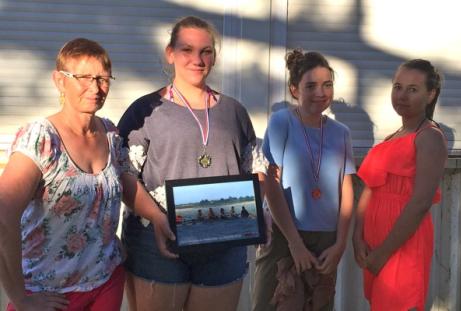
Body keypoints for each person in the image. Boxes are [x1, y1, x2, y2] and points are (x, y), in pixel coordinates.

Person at [0, 38, 173, 311]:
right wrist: (19, 297)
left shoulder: (110, 133)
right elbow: (3, 218)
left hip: (106, 279)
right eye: (83, 77)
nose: (95, 87)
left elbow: (126, 185)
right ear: (59, 80)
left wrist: (157, 217)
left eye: (103, 79)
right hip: (51, 293)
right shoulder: (41, 139)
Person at [117, 16, 266, 311]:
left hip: (224, 241)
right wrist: (158, 219)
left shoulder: (234, 111)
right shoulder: (145, 110)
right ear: (170, 53)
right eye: (187, 50)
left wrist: (260, 212)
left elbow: (255, 170)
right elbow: (124, 176)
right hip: (158, 239)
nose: (197, 59)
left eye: (206, 51)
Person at [252, 49, 355, 311]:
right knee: (271, 303)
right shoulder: (281, 122)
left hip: (325, 240)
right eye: (311, 86)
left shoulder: (341, 133)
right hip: (284, 235)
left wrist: (340, 243)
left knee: (318, 303)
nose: (321, 93)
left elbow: (346, 187)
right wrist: (294, 243)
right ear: (295, 89)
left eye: (327, 85)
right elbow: (271, 183)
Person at [352, 59, 447, 310]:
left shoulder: (429, 138)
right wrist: (357, 236)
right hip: (375, 244)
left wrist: (383, 253)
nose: (402, 95)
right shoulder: (391, 138)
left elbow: (420, 203)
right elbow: (369, 189)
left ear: (431, 95)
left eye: (413, 89)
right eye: (397, 87)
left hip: (401, 246)